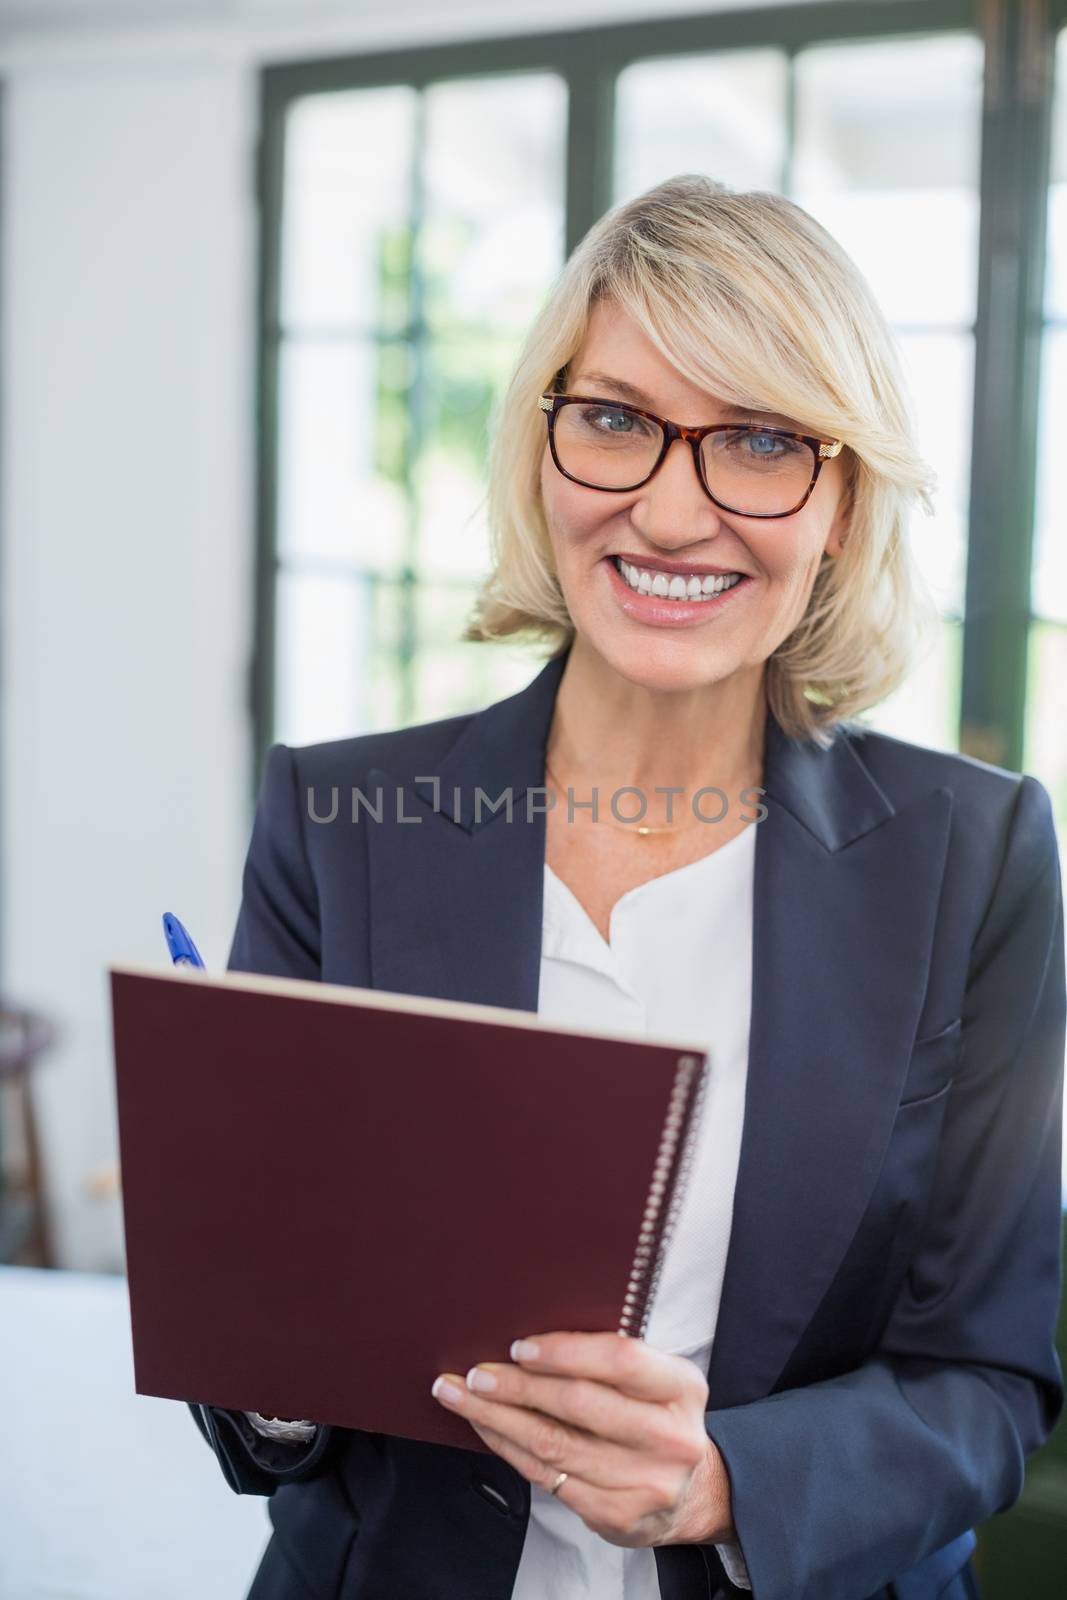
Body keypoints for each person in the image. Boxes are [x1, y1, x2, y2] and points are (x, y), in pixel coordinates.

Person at [188, 175, 1065, 1600]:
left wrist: (727, 1485)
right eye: (614, 420)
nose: (670, 511)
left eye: (764, 442)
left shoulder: (979, 860)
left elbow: (988, 1381)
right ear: (541, 446)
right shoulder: (335, 819)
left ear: (840, 501)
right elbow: (265, 1398)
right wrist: (269, 1355)